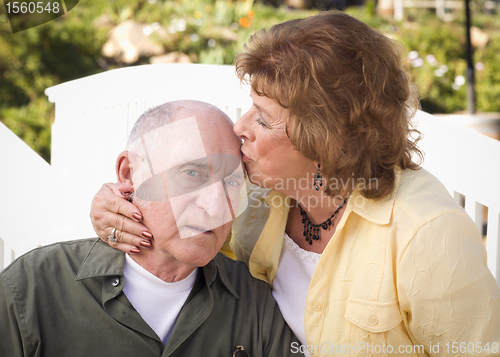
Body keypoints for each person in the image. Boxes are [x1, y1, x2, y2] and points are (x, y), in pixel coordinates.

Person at [90, 11, 500, 357]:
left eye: (264, 119)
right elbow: (180, 235)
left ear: (326, 140)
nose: (239, 128)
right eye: (250, 107)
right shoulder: (261, 196)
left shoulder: (426, 234)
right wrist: (118, 205)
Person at [0, 100, 302, 357]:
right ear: (129, 174)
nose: (215, 207)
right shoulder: (32, 288)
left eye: (233, 181)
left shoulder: (254, 301)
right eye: (192, 172)